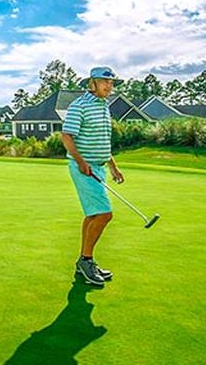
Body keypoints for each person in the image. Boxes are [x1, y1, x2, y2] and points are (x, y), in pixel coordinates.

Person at [61, 66, 125, 287]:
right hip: (84, 168)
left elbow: (102, 140)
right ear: (92, 83)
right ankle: (86, 260)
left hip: (99, 167)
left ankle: (84, 261)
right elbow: (67, 136)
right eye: (105, 81)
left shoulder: (104, 105)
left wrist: (113, 167)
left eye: (111, 82)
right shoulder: (79, 106)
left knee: (92, 216)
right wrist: (81, 162)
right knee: (104, 214)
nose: (109, 86)